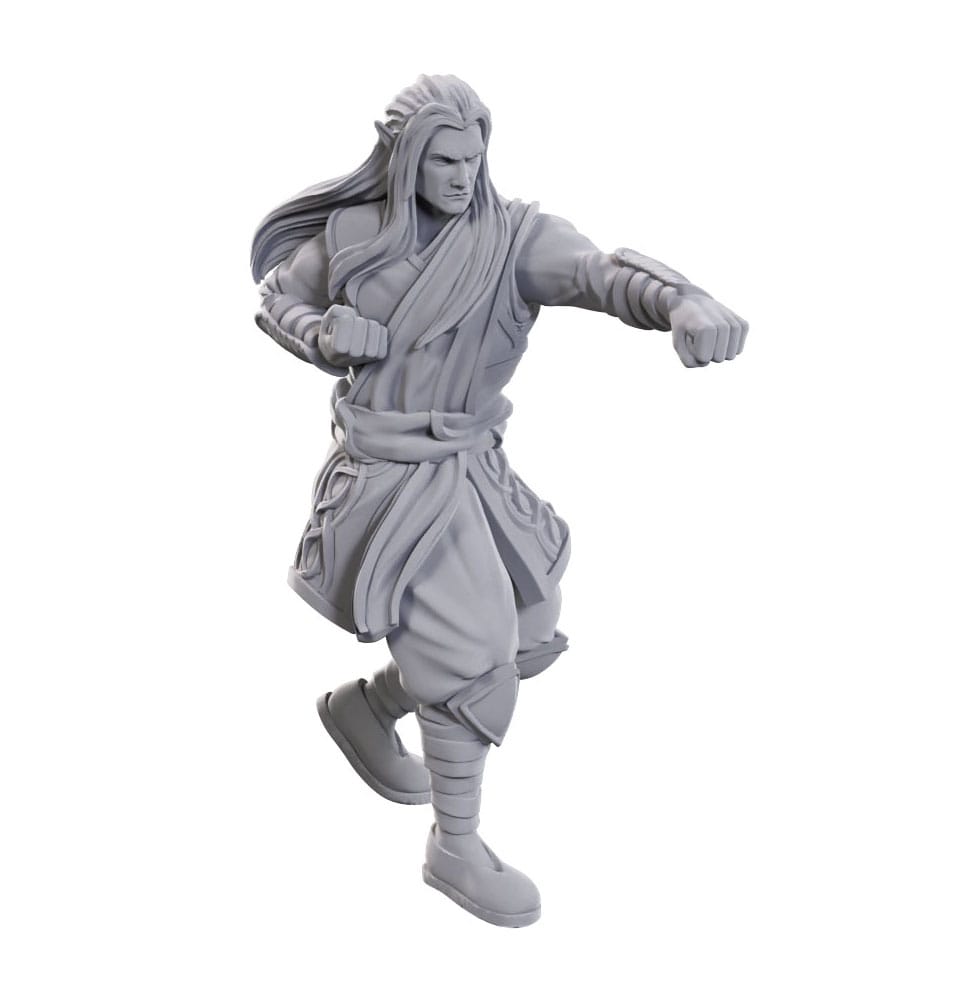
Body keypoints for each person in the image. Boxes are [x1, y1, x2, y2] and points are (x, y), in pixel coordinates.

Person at [250, 74, 747, 927]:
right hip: (389, 474)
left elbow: (600, 274)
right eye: (442, 160)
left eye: (472, 159)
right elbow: (276, 299)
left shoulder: (510, 238)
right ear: (404, 158)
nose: (460, 176)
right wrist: (321, 333)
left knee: (528, 619)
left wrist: (682, 300)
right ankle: (456, 845)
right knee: (471, 654)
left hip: (473, 460)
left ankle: (368, 708)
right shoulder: (354, 238)